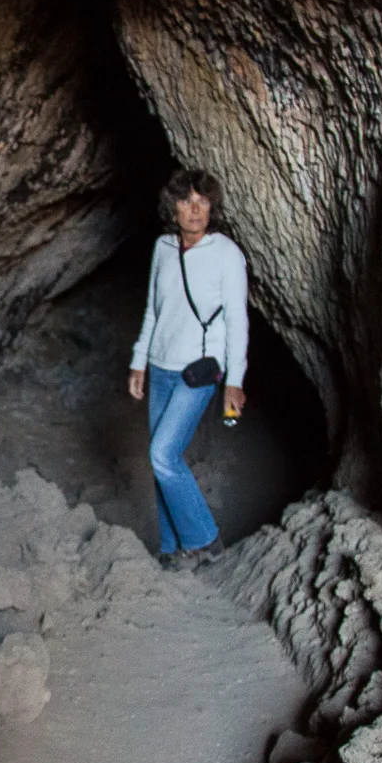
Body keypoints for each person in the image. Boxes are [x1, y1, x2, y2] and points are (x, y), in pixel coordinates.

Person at [127, 169, 248, 563]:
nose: (195, 210)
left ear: (212, 207)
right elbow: (152, 309)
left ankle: (205, 539)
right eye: (186, 201)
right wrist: (139, 362)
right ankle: (170, 549)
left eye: (203, 202)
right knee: (161, 460)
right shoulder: (163, 248)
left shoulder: (227, 255)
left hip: (198, 371)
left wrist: (235, 381)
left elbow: (237, 321)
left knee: (163, 454)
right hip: (160, 367)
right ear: (173, 207)